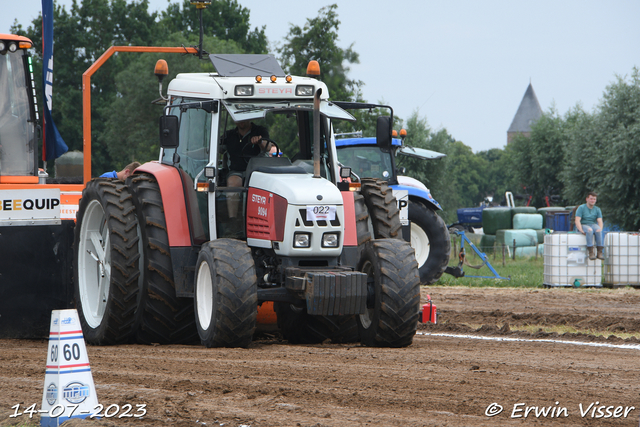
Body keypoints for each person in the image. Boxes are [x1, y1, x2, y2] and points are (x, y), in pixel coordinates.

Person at [222, 120, 270, 187]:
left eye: (243, 117)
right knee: (233, 182)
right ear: (234, 119)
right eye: (238, 117)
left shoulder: (260, 131)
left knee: (259, 184)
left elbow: (267, 147)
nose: (241, 120)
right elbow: (214, 147)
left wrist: (260, 142)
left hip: (257, 171)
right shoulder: (229, 135)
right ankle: (233, 197)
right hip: (235, 172)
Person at [575, 191, 604, 260]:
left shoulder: (597, 209)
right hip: (584, 224)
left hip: (593, 224)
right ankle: (591, 252)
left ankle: (599, 252)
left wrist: (600, 228)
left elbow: (600, 221)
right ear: (587, 199)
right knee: (589, 230)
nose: (592, 200)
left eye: (594, 199)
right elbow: (577, 220)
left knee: (598, 230)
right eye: (591, 199)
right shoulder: (581, 208)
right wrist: (581, 230)